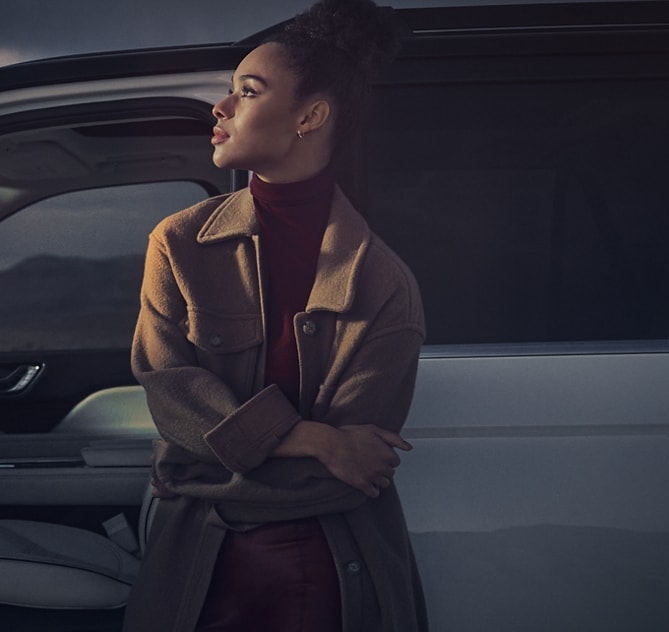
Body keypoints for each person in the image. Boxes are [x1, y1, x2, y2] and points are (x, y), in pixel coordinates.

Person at [122, 0, 428, 630]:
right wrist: (314, 440)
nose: (222, 108)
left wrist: (192, 463)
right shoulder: (178, 244)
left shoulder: (382, 282)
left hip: (327, 563)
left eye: (247, 91)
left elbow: (349, 477)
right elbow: (168, 393)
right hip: (197, 562)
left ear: (310, 116)